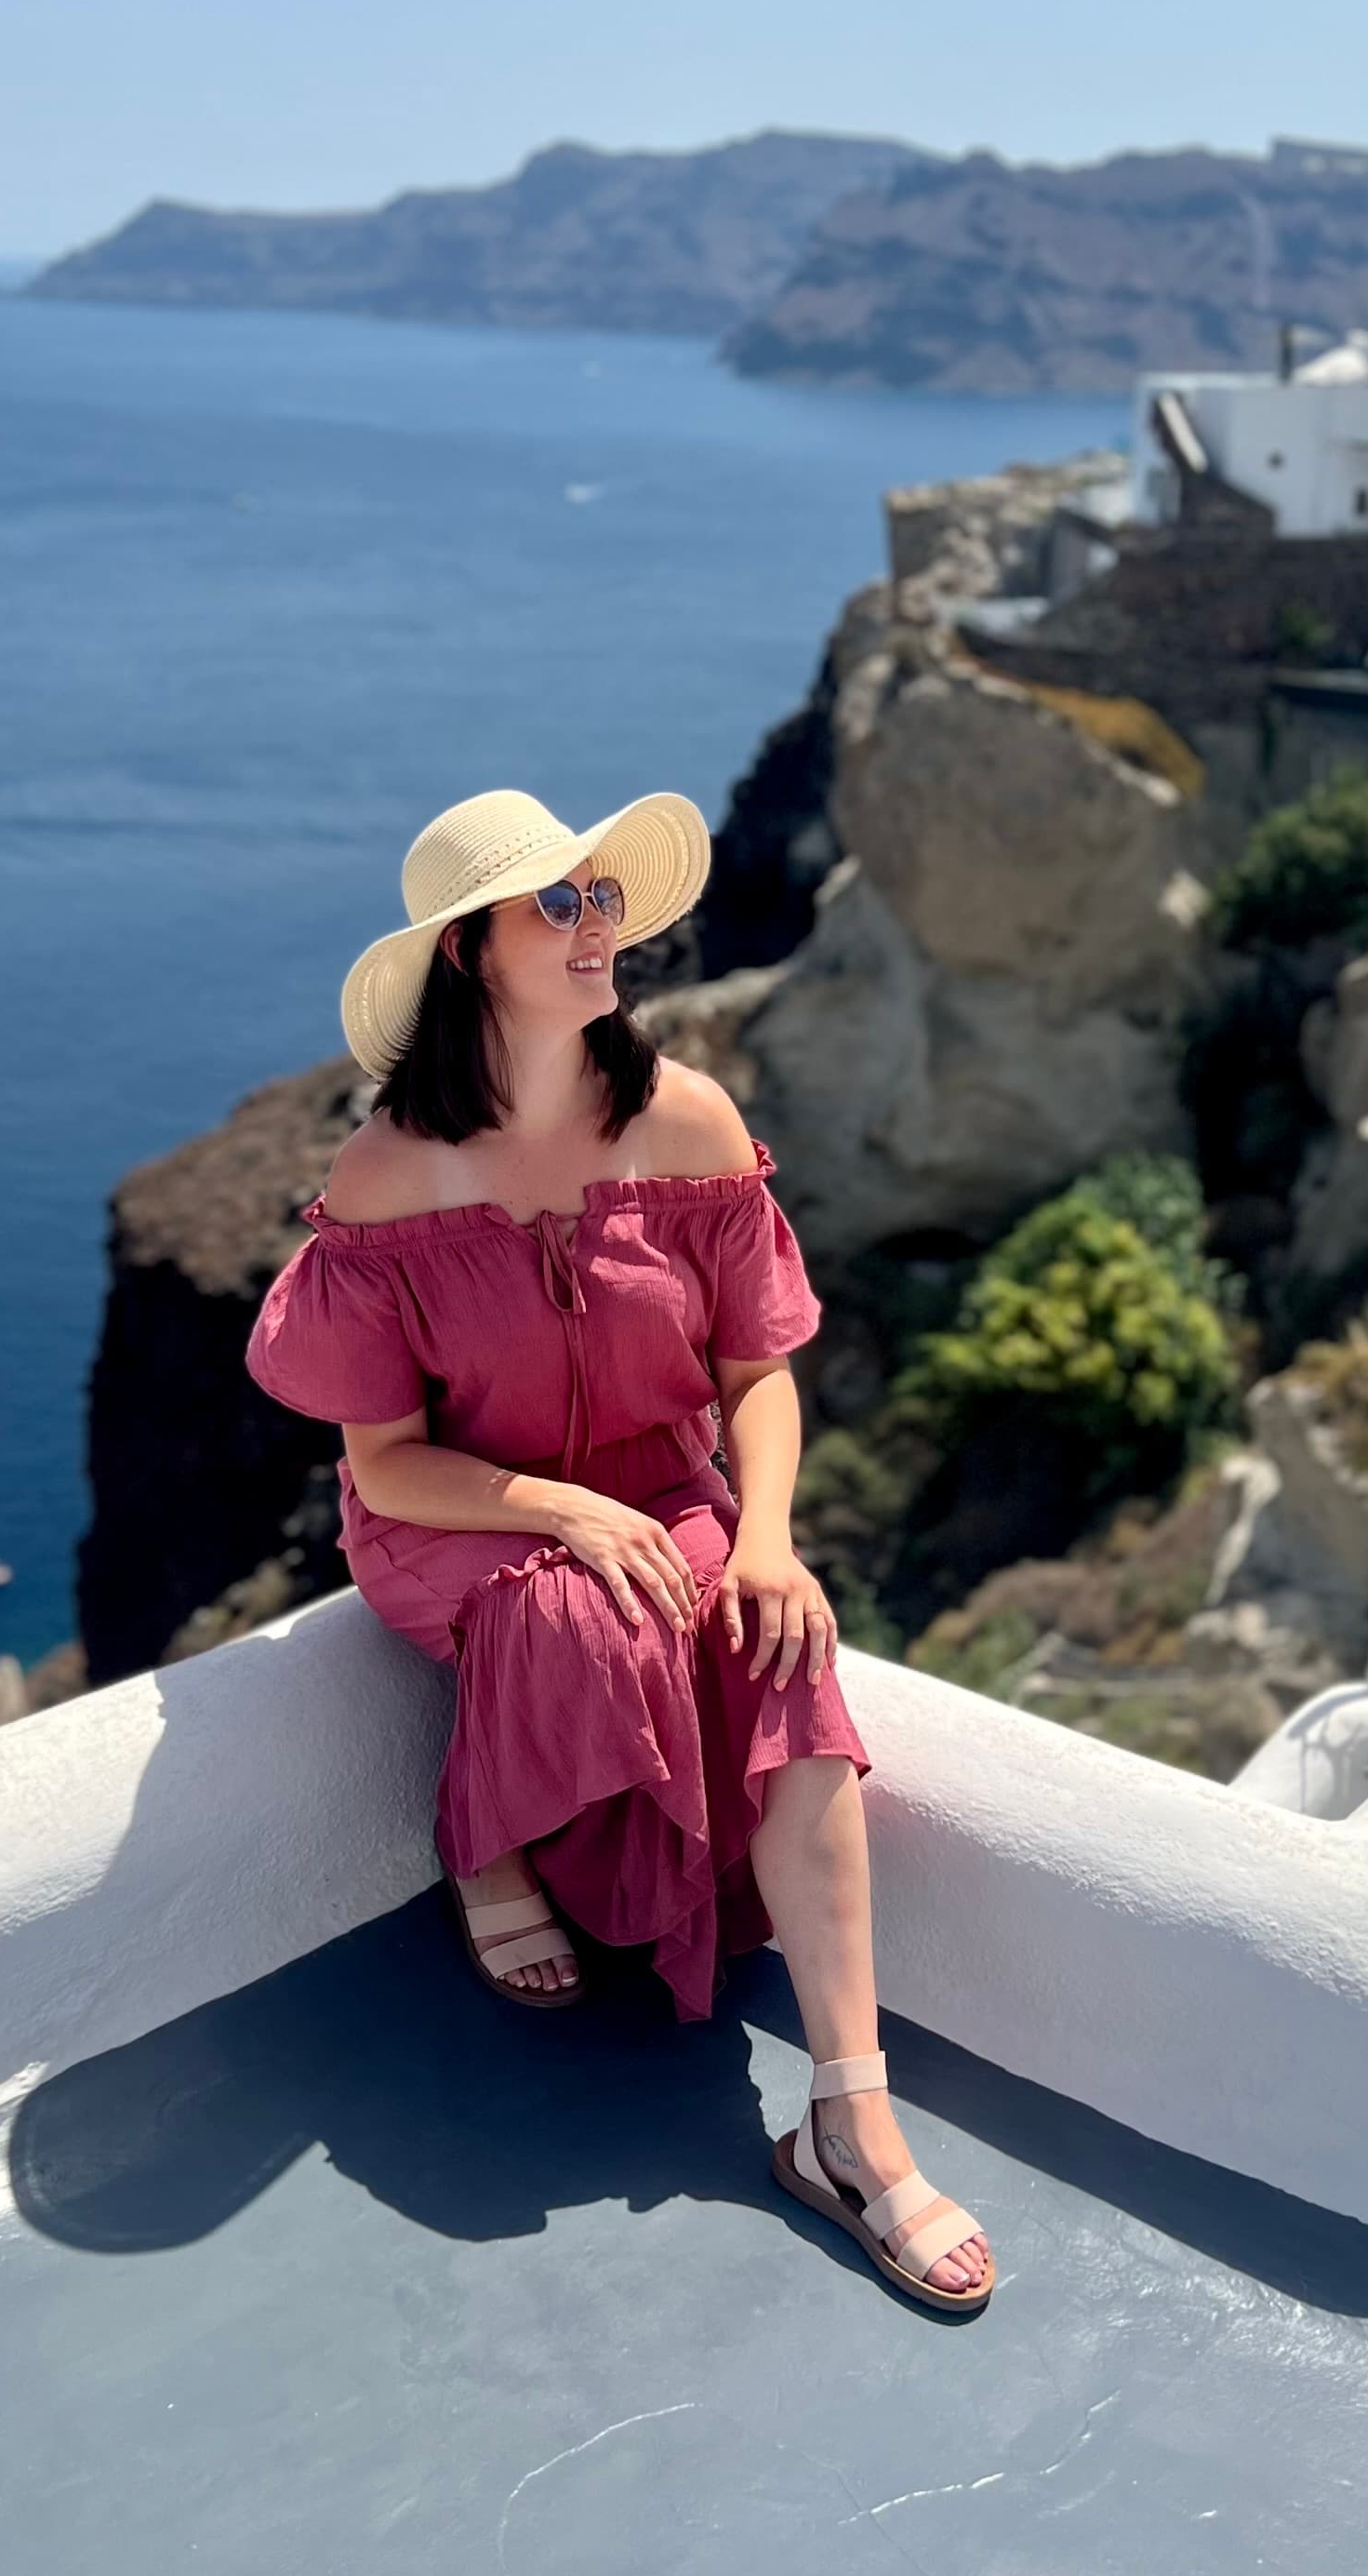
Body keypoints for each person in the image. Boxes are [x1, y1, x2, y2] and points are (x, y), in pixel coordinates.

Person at [246, 787, 995, 2313]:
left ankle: (848, 2123)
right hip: (463, 1519)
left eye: (603, 900)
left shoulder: (686, 1120)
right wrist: (567, 1509)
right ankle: (491, 1842)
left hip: (666, 1491)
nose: (601, 931)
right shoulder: (387, 1174)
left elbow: (757, 1371)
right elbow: (385, 1460)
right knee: (578, 1611)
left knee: (786, 1661)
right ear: (467, 953)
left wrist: (768, 1536)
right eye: (558, 906)